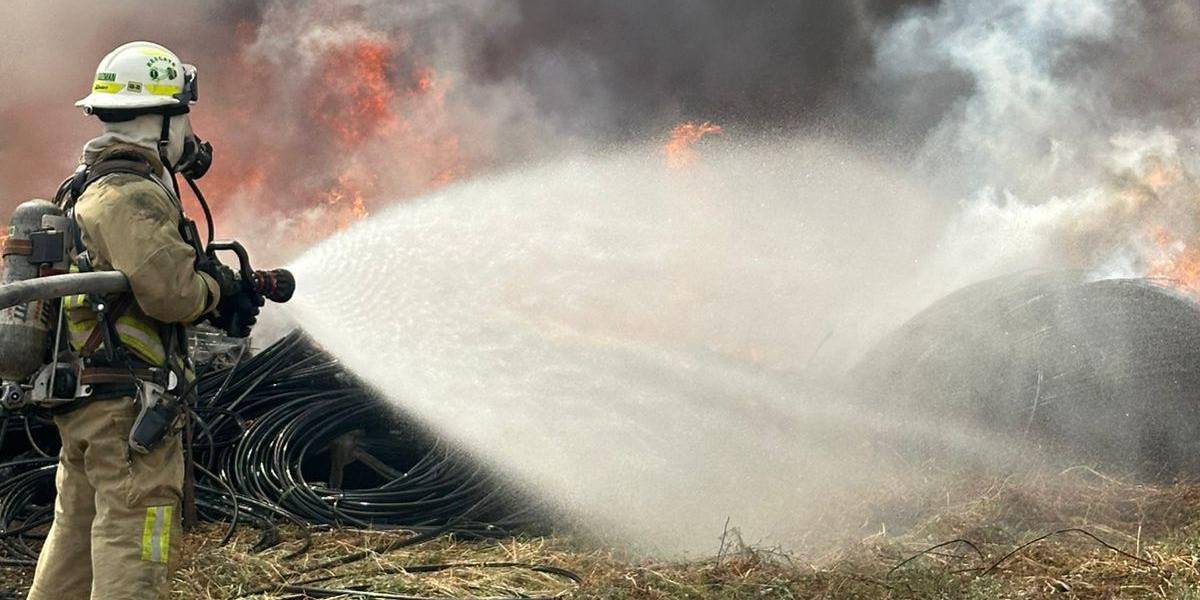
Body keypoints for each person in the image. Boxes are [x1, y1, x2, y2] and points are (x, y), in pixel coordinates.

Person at [26, 41, 260, 600]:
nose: (188, 134)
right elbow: (172, 295)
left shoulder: (84, 183)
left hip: (89, 402)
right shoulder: (129, 194)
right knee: (139, 540)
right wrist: (219, 286)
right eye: (182, 117)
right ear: (158, 118)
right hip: (128, 410)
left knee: (77, 538)